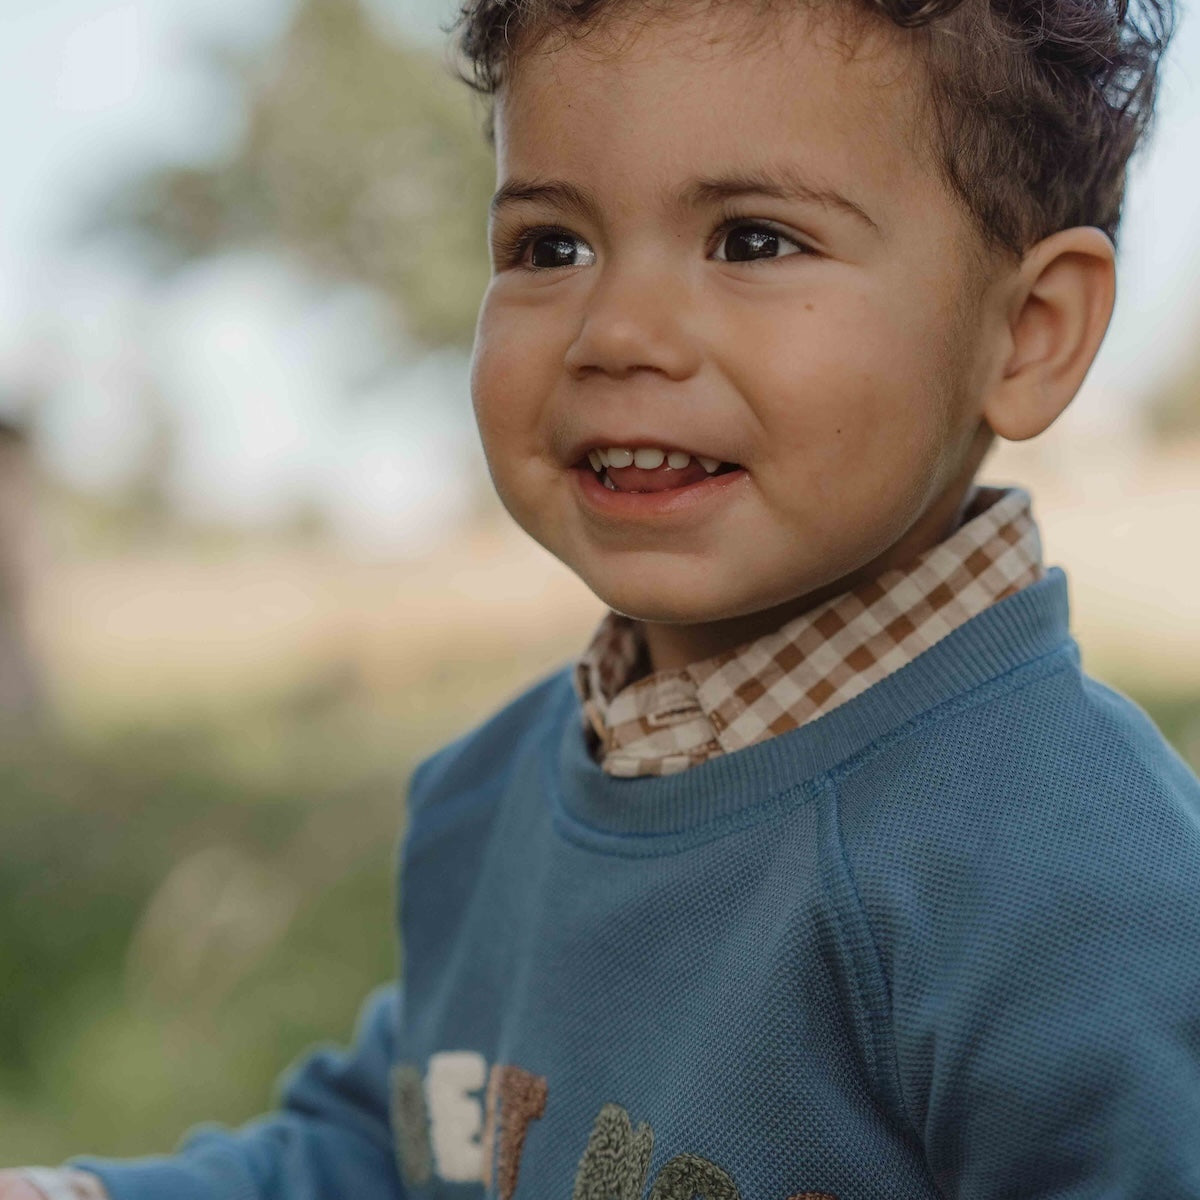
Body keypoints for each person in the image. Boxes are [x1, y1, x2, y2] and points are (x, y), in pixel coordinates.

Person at [5, 0, 1196, 1190]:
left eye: (754, 241)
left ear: (1028, 334)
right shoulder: (487, 792)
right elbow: (386, 1150)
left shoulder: (1075, 881)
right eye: (549, 248)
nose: (616, 331)